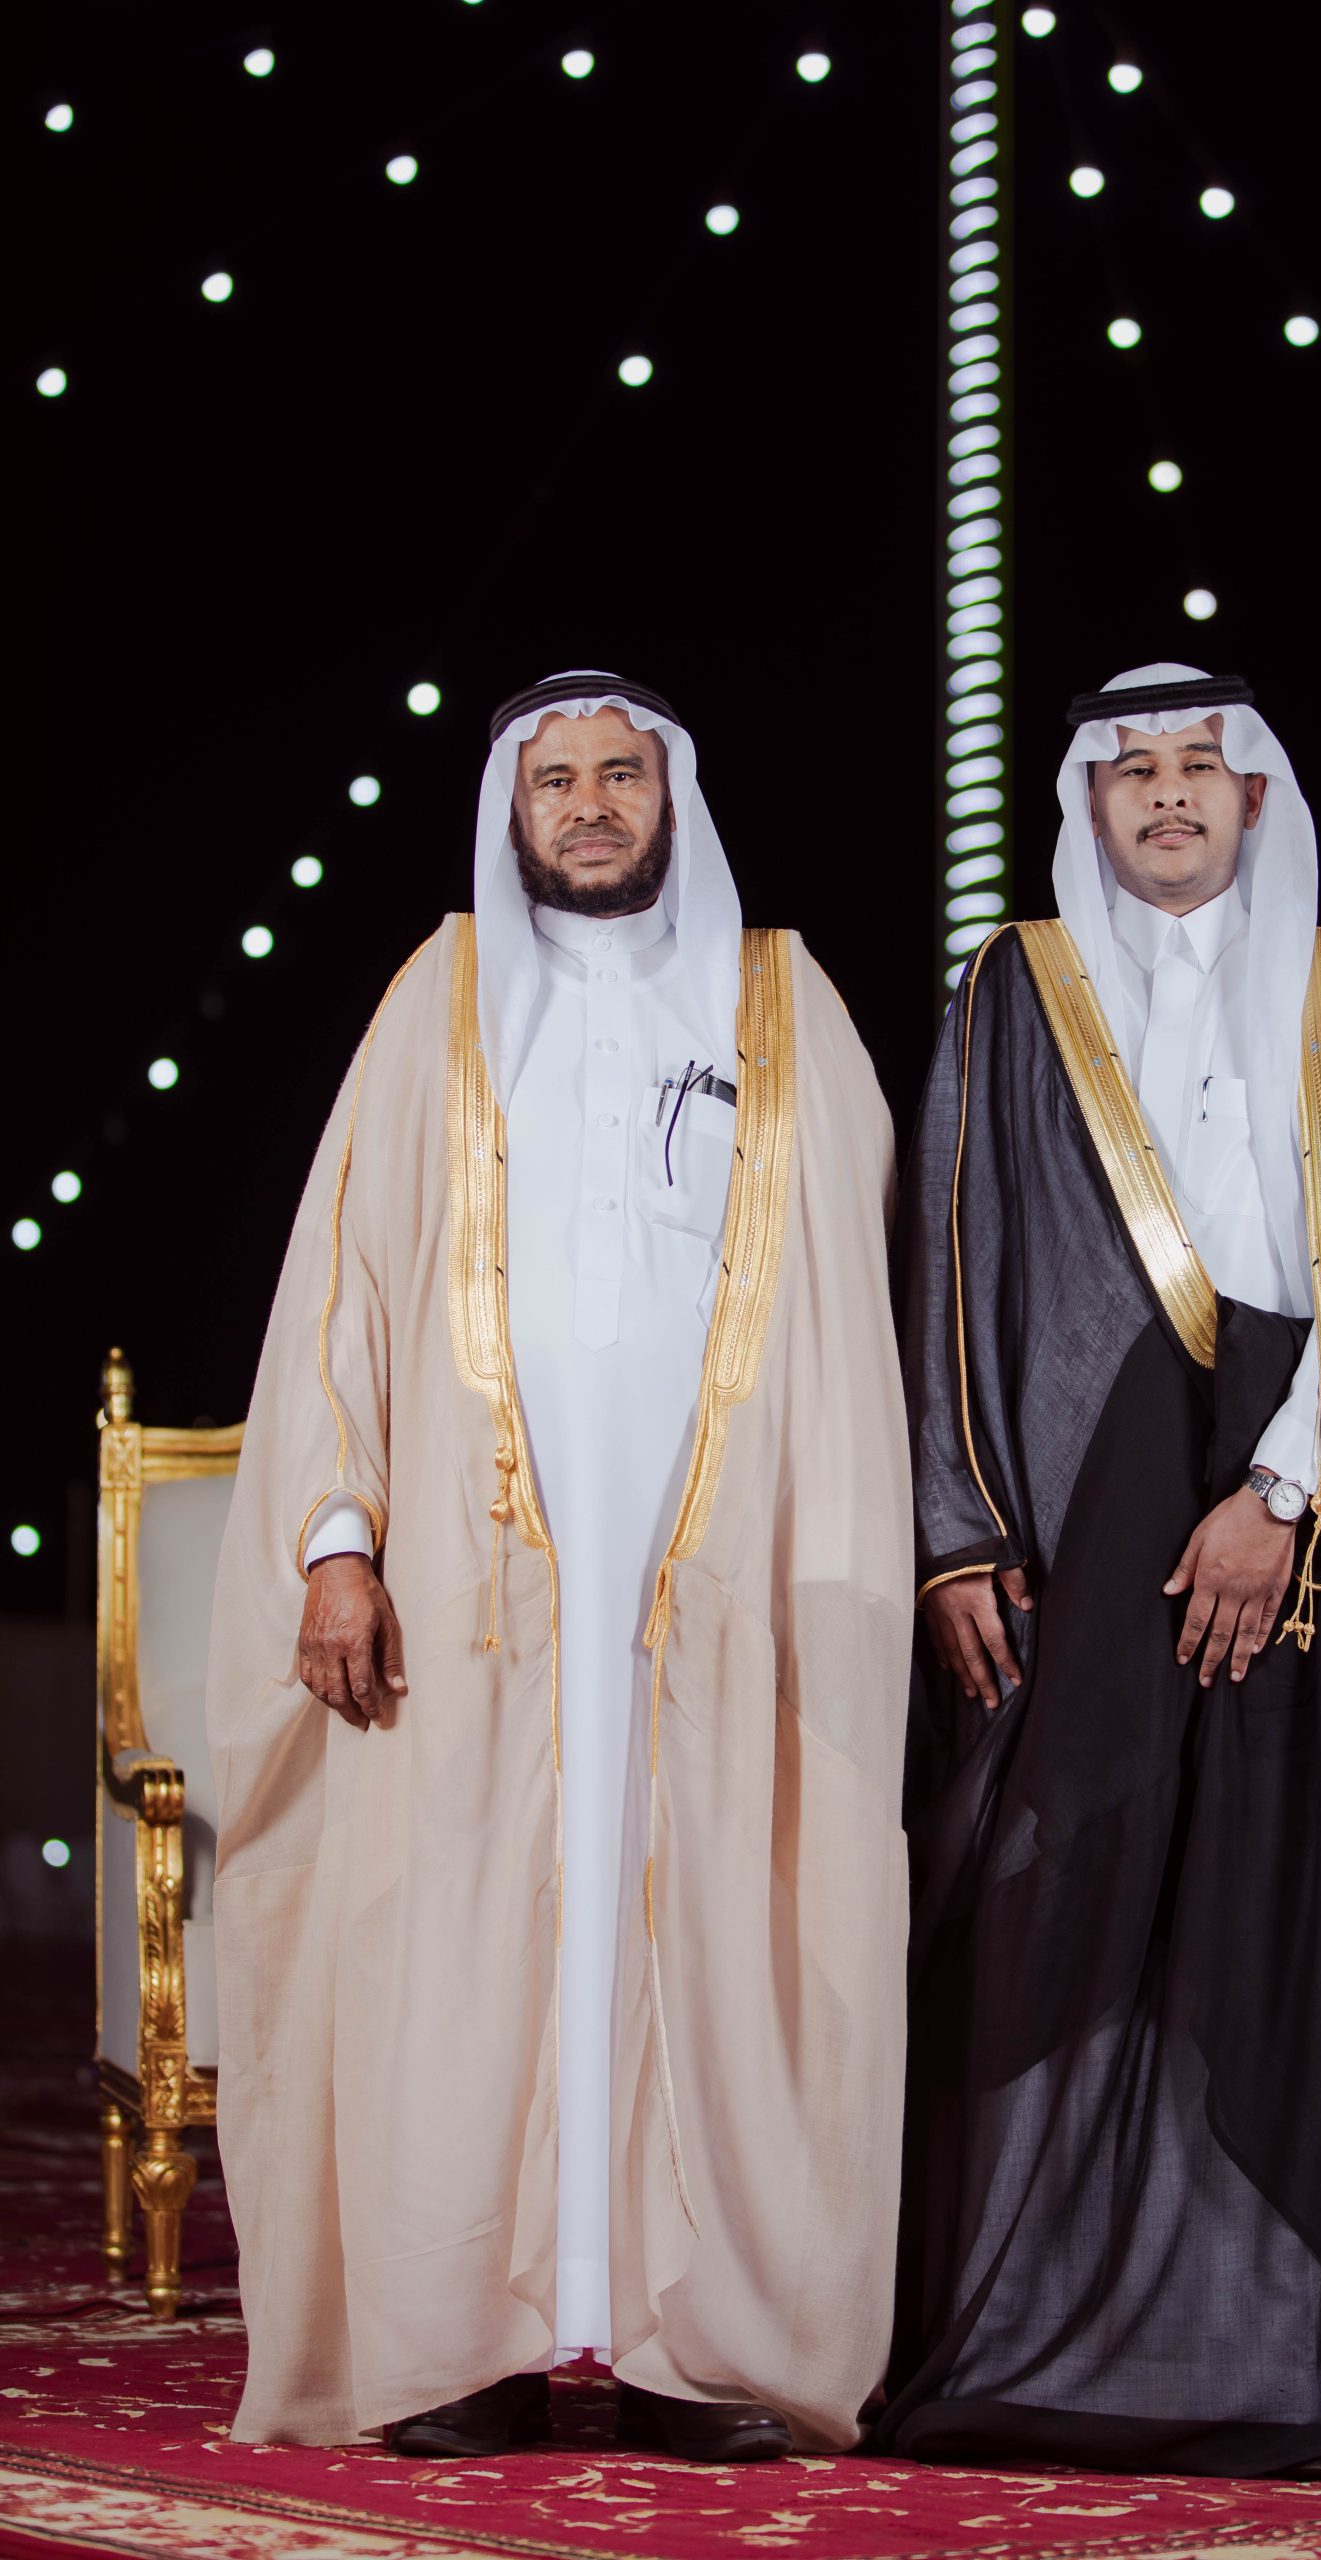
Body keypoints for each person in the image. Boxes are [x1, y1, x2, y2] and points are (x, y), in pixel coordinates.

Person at [209, 672, 912, 2460]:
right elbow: (342, 1291)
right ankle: (465, 2346)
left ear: (674, 802)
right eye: (556, 783)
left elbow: (852, 1322)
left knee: (707, 1928)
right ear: (510, 814)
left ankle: (697, 2353)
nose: (590, 806)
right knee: (467, 1931)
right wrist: (340, 1541)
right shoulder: (434, 1002)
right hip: (476, 1580)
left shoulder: (782, 1003)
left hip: (712, 1573)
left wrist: (835, 1576)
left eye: (620, 777)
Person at [881, 663, 1321, 2479]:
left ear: (1257, 796)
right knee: (1039, 1914)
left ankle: (1262, 2370)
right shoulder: (1014, 989)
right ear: (1089, 803)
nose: (1167, 796)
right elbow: (945, 1263)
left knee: (1265, 1924)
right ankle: (1013, 2348)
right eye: (1129, 771)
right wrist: (957, 1532)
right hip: (1073, 1524)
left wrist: (1282, 1495)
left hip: (1293, 1511)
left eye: (1200, 766)